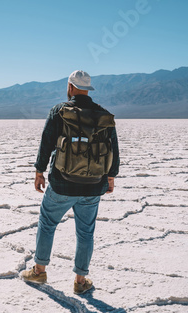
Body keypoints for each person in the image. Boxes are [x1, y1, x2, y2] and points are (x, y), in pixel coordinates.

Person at [20, 70, 120, 294]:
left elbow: (47, 142)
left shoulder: (60, 111)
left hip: (61, 183)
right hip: (93, 185)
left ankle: (39, 271)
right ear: (87, 89)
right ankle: (80, 281)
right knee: (85, 232)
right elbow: (113, 149)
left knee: (47, 224)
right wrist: (110, 177)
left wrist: (39, 171)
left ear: (71, 87)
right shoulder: (103, 115)